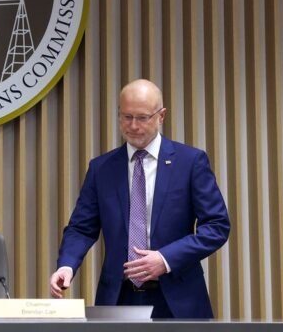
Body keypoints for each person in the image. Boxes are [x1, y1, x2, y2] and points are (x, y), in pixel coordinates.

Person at [49, 79, 230, 319]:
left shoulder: (190, 163)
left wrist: (165, 259)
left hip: (178, 299)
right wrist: (67, 265)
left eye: (142, 118)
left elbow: (217, 226)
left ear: (161, 116)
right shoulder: (101, 168)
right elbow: (81, 228)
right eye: (126, 117)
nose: (133, 126)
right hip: (119, 298)